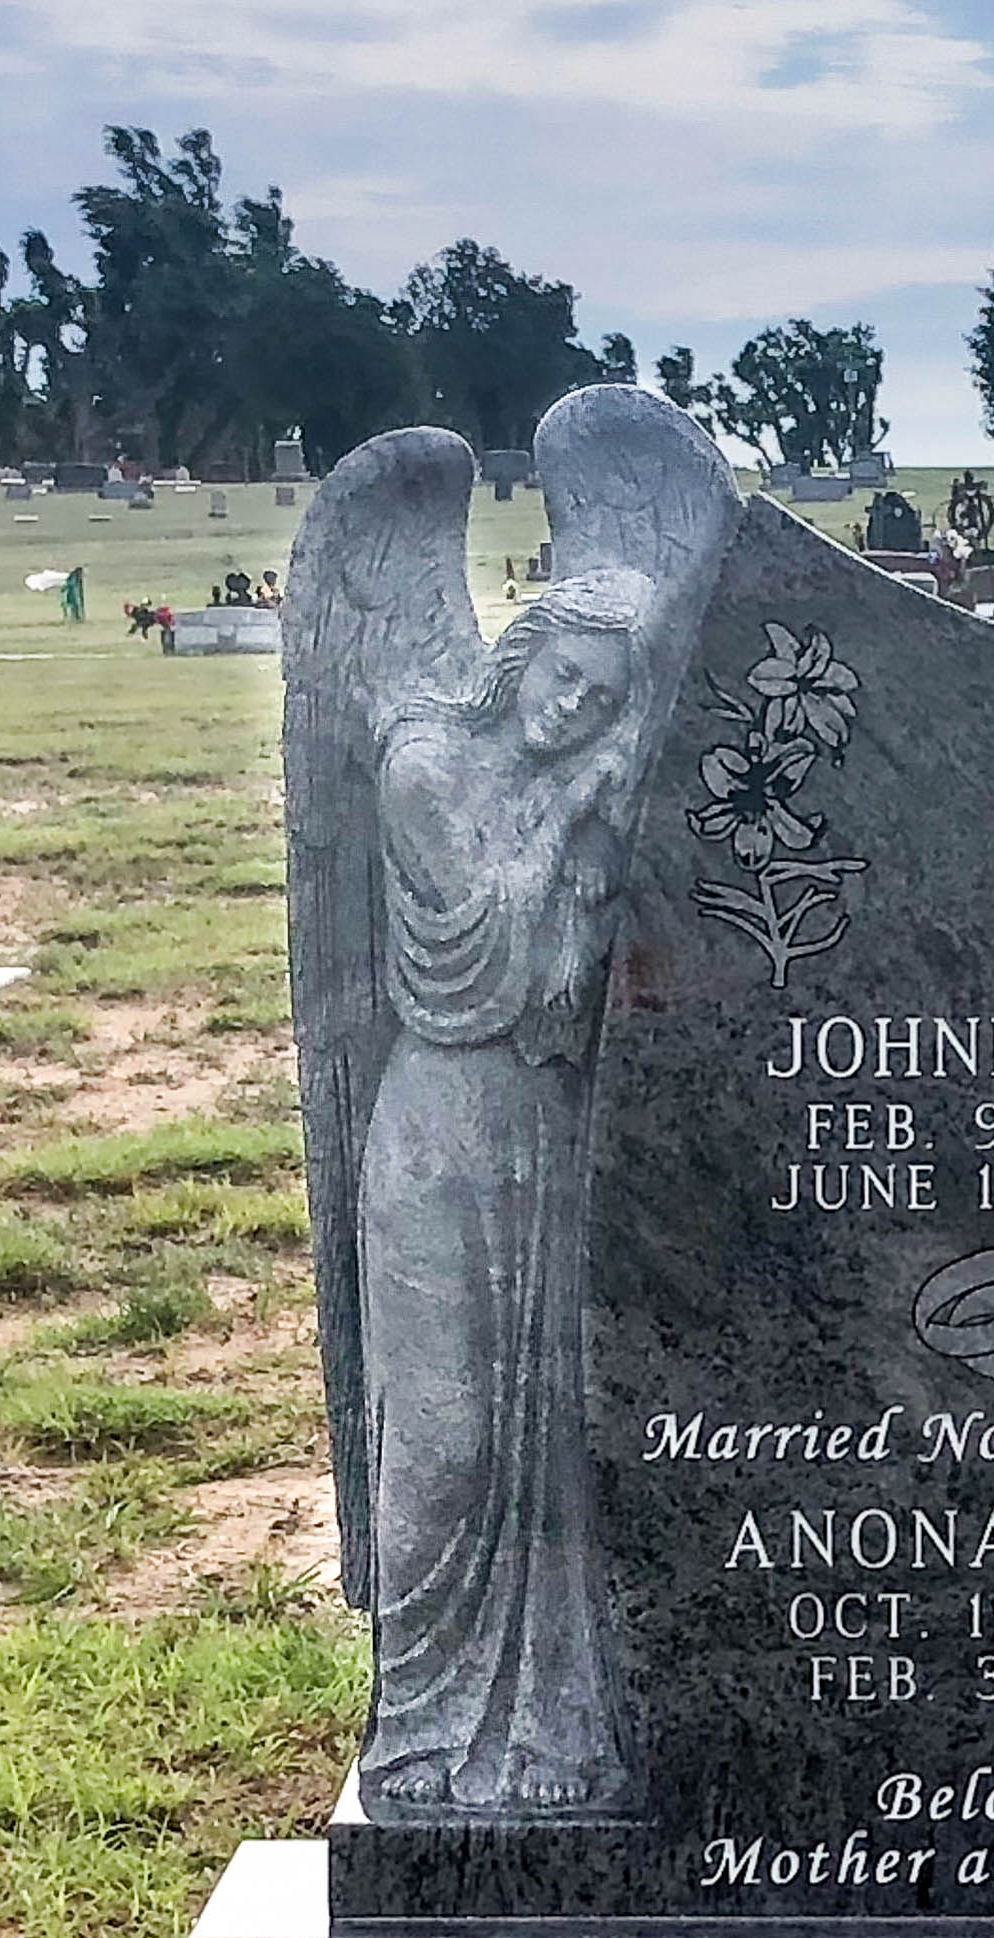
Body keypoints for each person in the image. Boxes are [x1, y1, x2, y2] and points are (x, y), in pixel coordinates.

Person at [352, 572, 666, 1811]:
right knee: (445, 1442)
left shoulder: (578, 779)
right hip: (439, 1126)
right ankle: (420, 1724)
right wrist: (585, 799)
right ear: (522, 650)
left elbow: (583, 978)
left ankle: (550, 1727)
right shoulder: (423, 759)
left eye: (599, 705)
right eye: (564, 676)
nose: (571, 709)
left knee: (553, 1445)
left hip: (547, 1127)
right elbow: (486, 941)